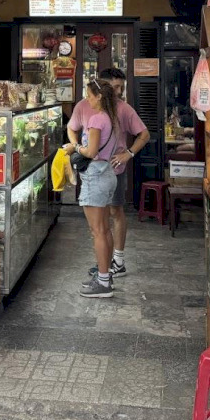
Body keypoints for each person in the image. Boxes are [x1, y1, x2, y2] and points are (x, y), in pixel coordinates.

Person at [68, 67, 150, 279]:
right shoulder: (84, 107)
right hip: (93, 169)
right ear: (101, 88)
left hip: (113, 168)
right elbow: (72, 127)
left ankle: (117, 261)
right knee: (100, 223)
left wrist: (129, 154)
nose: (118, 91)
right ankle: (105, 265)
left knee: (114, 213)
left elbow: (144, 134)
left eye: (121, 87)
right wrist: (77, 144)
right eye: (114, 87)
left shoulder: (122, 109)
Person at [63, 80, 123, 298]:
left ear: (99, 97)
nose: (87, 99)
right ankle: (104, 276)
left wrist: (74, 147)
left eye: (89, 95)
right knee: (104, 229)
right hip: (106, 173)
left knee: (97, 231)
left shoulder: (98, 119)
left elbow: (90, 151)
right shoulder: (111, 117)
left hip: (95, 176)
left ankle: (103, 282)